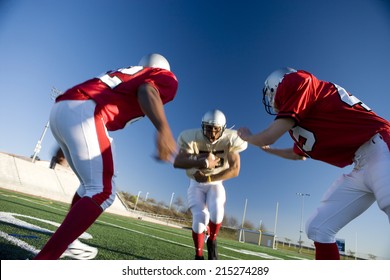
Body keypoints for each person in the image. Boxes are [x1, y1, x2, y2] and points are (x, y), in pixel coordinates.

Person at [34, 53, 179, 260]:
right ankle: (43, 261)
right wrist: (163, 129)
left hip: (63, 108)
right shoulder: (164, 76)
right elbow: (147, 90)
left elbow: (88, 98)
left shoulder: (126, 72)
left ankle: (70, 242)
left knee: (88, 186)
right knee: (103, 191)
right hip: (86, 111)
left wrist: (62, 144)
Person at [238, 68, 390, 260]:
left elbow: (271, 135)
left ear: (275, 87)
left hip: (382, 144)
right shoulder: (302, 120)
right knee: (318, 228)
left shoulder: (296, 80)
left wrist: (250, 138)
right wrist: (268, 150)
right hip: (361, 164)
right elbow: (297, 154)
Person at [173, 109, 247, 260]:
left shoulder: (231, 139)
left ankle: (212, 240)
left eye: (216, 129)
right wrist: (204, 162)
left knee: (217, 211)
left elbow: (235, 169)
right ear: (202, 127)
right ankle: (198, 256)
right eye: (209, 128)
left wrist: (208, 179)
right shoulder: (191, 138)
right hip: (195, 183)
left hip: (215, 182)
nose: (212, 133)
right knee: (199, 219)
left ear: (223, 129)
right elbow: (178, 162)